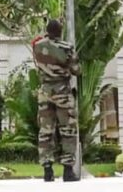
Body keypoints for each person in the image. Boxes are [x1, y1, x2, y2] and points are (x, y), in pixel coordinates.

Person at [32, 18, 81, 182]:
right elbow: (76, 70)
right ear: (60, 31)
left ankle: (47, 169)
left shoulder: (37, 46)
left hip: (45, 92)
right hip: (62, 92)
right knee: (68, 130)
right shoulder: (66, 48)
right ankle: (68, 170)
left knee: (46, 131)